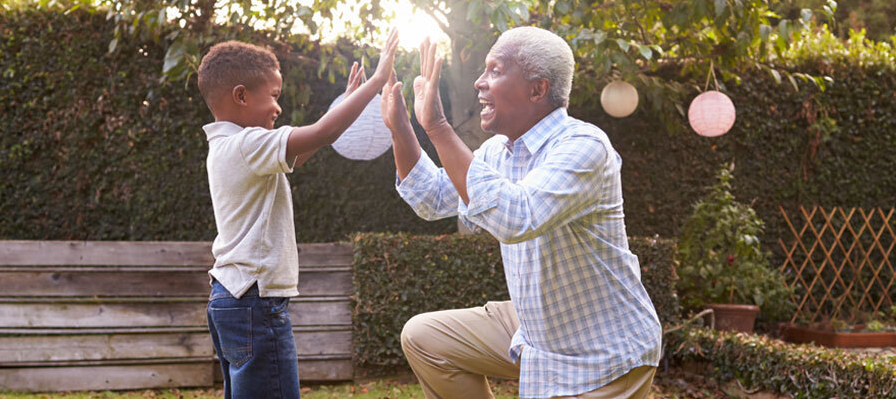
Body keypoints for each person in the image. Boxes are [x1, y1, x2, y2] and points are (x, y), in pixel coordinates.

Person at [380, 26, 662, 398]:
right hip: (540, 326)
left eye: (495, 71)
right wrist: (402, 128)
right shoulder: (498, 151)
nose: (480, 82)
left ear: (537, 89)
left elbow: (517, 218)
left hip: (603, 353)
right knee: (425, 338)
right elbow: (432, 198)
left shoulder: (584, 146)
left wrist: (438, 126)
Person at [196, 31, 398, 399]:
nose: (278, 108)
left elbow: (305, 148)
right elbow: (323, 132)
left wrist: (347, 100)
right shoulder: (246, 144)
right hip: (254, 299)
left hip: (230, 297)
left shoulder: (228, 147)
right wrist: (379, 82)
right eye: (273, 96)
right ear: (241, 96)